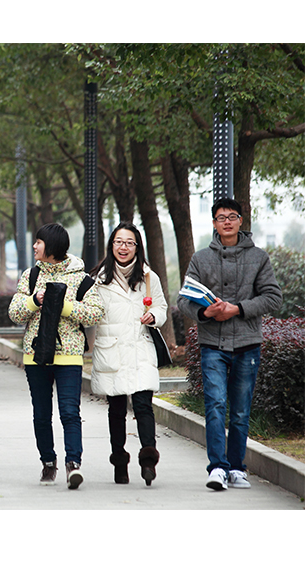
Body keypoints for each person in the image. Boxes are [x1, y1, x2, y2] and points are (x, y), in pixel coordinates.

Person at [178, 198, 282, 491]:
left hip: (248, 344)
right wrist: (206, 313)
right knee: (215, 405)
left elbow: (273, 297)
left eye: (232, 216)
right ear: (214, 223)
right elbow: (183, 300)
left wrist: (237, 308)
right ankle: (217, 468)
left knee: (239, 411)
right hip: (212, 344)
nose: (227, 221)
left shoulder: (258, 257)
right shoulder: (201, 259)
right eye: (221, 217)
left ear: (240, 221)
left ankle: (237, 467)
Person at [8, 223, 104, 488]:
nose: (35, 246)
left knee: (70, 412)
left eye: (39, 242)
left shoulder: (81, 278)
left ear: (51, 247)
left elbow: (95, 313)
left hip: (69, 357)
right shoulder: (30, 276)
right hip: (35, 355)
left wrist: (64, 306)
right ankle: (48, 462)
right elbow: (14, 313)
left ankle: (73, 464)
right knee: (41, 414)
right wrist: (34, 301)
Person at [89, 222, 167, 486]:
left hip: (140, 347)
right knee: (117, 409)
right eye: (119, 242)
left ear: (137, 247)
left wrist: (154, 315)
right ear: (111, 245)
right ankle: (119, 463)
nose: (123, 247)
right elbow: (89, 311)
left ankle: (148, 460)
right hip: (111, 350)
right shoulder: (98, 278)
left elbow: (161, 307)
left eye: (129, 243)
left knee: (144, 405)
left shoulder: (148, 277)